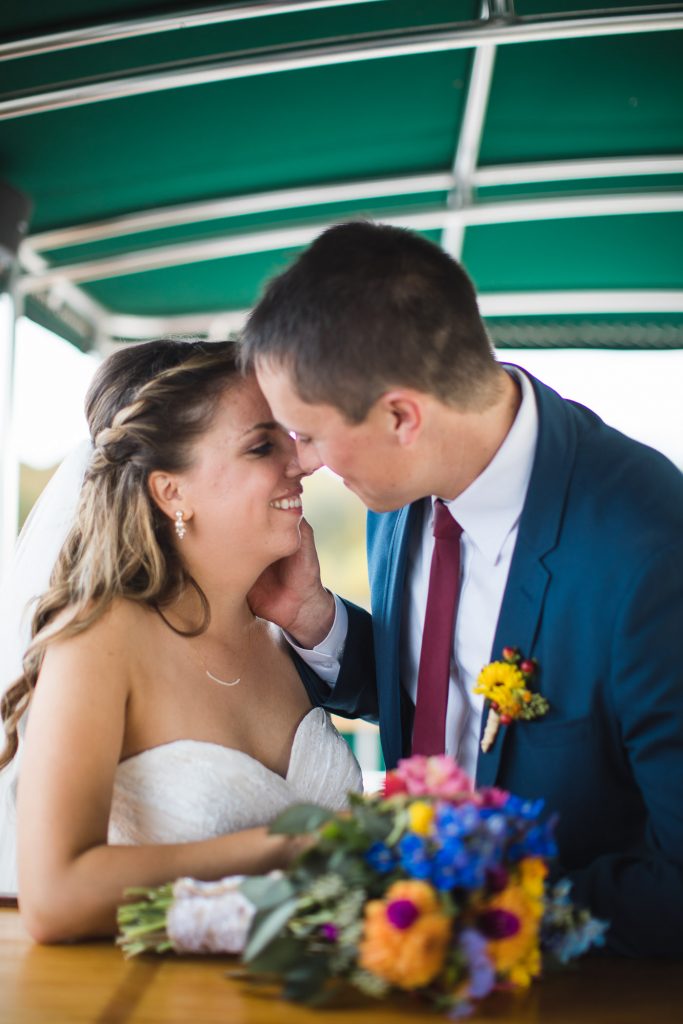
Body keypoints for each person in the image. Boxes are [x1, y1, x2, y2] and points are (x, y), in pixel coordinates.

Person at [240, 220, 683, 958]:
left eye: (307, 436)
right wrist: (316, 622)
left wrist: (469, 926)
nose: (303, 464)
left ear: (400, 416)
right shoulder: (398, 489)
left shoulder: (648, 551)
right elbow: (443, 689)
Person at [0, 339, 361, 941]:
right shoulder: (99, 642)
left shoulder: (278, 633)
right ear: (172, 491)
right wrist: (282, 846)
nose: (299, 463)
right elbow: (55, 895)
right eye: (261, 445)